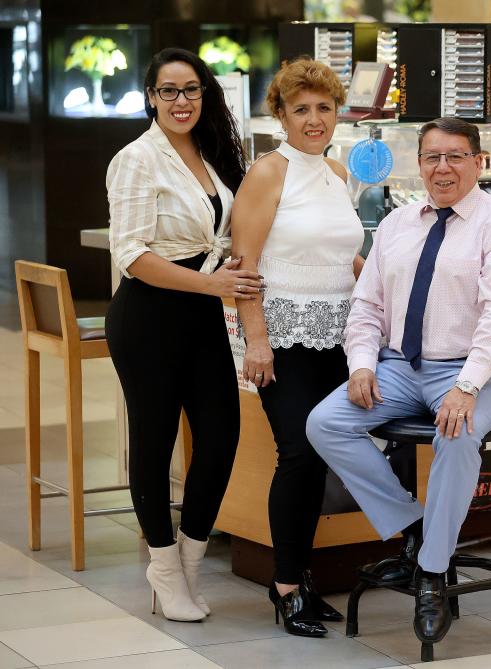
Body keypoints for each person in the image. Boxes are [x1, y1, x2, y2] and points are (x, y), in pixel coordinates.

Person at [305, 117, 491, 644]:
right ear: (419, 163)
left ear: (480, 163)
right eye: (432, 156)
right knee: (326, 423)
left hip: (483, 367)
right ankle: (414, 529)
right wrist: (362, 363)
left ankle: (432, 571)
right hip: (400, 367)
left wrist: (468, 387)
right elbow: (366, 305)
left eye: (455, 156)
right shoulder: (396, 225)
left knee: (457, 430)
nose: (443, 167)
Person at [105, 48, 258, 622]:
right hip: (149, 315)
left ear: (205, 94)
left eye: (191, 90)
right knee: (154, 438)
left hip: (202, 313)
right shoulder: (136, 160)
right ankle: (164, 567)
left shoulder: (215, 152)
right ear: (151, 97)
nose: (180, 102)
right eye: (168, 91)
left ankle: (190, 562)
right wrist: (211, 286)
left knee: (221, 436)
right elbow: (133, 257)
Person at [231, 58, 365, 637]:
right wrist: (255, 340)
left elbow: (345, 255)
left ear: (338, 113)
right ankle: (286, 586)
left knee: (325, 456)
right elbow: (245, 267)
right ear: (280, 115)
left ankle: (301, 575)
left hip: (339, 334)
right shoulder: (267, 172)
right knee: (299, 454)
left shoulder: (337, 171)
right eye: (301, 109)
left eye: (324, 108)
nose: (314, 119)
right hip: (282, 337)